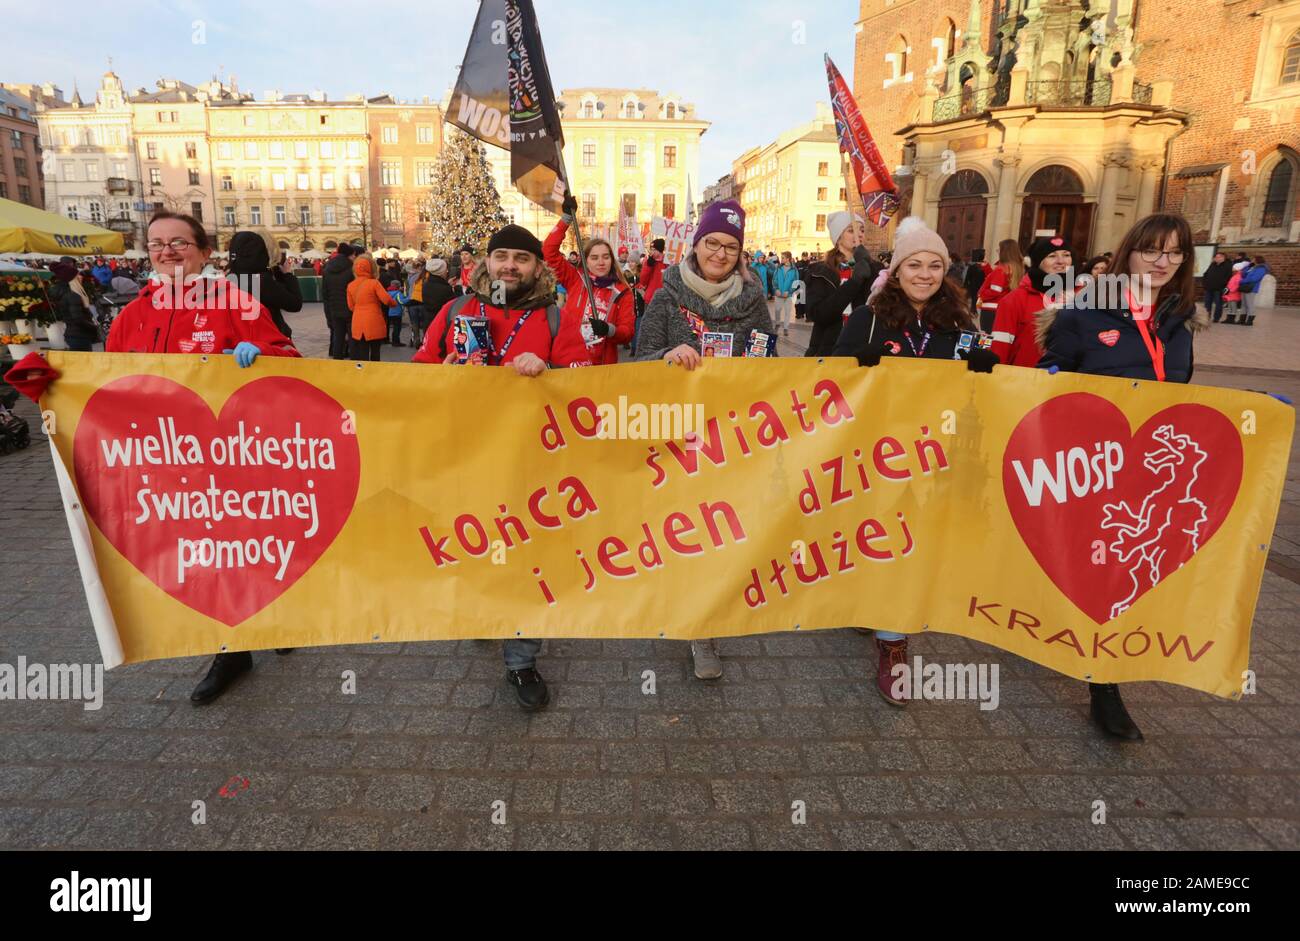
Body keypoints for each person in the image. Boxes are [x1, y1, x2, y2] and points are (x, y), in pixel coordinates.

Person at [104, 213, 299, 704]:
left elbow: (292, 361)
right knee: (200, 554)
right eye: (156, 244)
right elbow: (101, 382)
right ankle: (231, 647)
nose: (167, 252)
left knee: (243, 545)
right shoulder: (132, 315)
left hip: (231, 457)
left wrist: (265, 353)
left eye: (179, 243)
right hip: (165, 459)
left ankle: (268, 621)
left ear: (205, 252)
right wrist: (47, 380)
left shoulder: (235, 303)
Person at [1037, 213, 1206, 741]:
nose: (1162, 262)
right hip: (1092, 463)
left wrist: (1250, 417)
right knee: (1094, 564)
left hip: (1150, 466)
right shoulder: (1087, 311)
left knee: (1124, 567)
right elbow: (1050, 376)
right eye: (1152, 250)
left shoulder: (1180, 317)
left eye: (1175, 253)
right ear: (1129, 252)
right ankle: (1087, 668)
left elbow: (1183, 388)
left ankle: (1104, 678)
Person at [413, 224, 590, 710]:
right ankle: (481, 614)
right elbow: (419, 367)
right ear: (486, 263)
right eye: (502, 257)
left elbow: (584, 384)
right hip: (464, 457)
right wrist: (442, 371)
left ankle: (521, 661)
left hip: (530, 462)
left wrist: (549, 373)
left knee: (525, 560)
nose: (510, 266)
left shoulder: (555, 317)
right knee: (475, 547)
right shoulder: (457, 310)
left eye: (522, 258)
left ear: (537, 267)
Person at [832, 217, 996, 704]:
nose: (923, 274)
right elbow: (832, 378)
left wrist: (988, 368)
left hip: (936, 456)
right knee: (882, 538)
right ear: (897, 271)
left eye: (934, 266)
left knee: (913, 545)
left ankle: (892, 636)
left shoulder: (962, 323)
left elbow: (987, 384)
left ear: (944, 273)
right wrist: (855, 364)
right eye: (914, 265)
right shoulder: (870, 319)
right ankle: (885, 628)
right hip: (880, 454)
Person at [632, 199, 774, 681]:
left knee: (716, 532)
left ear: (740, 254)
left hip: (730, 436)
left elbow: (768, 364)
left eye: (730, 247)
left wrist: (753, 372)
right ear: (696, 246)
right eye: (712, 242)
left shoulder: (753, 302)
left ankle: (703, 629)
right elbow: (640, 358)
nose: (719, 253)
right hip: (676, 432)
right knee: (680, 528)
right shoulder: (666, 295)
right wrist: (669, 354)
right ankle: (675, 607)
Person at [545, 198, 636, 366]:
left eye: (605, 257)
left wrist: (609, 330)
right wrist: (566, 218)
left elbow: (628, 332)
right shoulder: (576, 278)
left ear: (611, 260)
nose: (601, 262)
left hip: (600, 367)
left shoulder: (622, 291)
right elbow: (548, 251)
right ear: (585, 261)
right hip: (567, 362)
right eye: (594, 258)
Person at [804, 211, 879, 357]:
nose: (859, 235)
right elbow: (819, 314)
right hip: (829, 351)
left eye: (862, 230)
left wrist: (870, 265)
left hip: (863, 350)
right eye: (851, 230)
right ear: (838, 238)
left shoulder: (875, 267)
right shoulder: (821, 271)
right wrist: (854, 282)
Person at [990, 236, 1073, 368]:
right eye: (1052, 256)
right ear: (1038, 262)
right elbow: (1000, 348)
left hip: (1068, 382)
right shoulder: (1015, 300)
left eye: (1066, 255)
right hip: (1027, 381)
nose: (1061, 261)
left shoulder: (1082, 297)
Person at [225, 231, 303, 340]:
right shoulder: (261, 280)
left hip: (240, 341)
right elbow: (295, 304)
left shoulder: (229, 278)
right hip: (268, 342)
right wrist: (287, 275)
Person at [347, 254, 396, 361]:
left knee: (362, 352)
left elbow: (351, 306)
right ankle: (374, 374)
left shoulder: (351, 285)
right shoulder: (374, 283)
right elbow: (386, 300)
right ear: (371, 268)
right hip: (374, 321)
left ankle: (363, 374)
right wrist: (394, 303)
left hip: (358, 322)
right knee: (375, 351)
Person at [47, 260, 99, 352]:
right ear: (71, 279)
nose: (80, 277)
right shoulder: (72, 295)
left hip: (73, 334)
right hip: (80, 335)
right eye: (77, 275)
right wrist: (93, 326)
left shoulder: (64, 293)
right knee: (84, 363)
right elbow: (78, 319)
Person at [977, 238, 1025, 333]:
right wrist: (987, 268)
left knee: (988, 339)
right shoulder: (1015, 268)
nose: (997, 251)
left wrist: (981, 294)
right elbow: (1000, 283)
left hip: (991, 310)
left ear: (1004, 252)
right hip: (1001, 308)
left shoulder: (1001, 269)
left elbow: (995, 290)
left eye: (999, 249)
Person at [322, 243, 357, 360]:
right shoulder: (352, 268)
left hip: (334, 308)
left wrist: (328, 312)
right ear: (349, 255)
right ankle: (353, 363)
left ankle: (337, 361)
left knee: (338, 337)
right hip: (350, 309)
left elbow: (325, 292)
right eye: (353, 255)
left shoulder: (327, 268)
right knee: (353, 338)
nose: (354, 258)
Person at [1199, 251, 1233, 324]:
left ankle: (1216, 318)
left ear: (1223, 258)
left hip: (1219, 289)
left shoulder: (1228, 266)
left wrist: (1222, 285)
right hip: (1209, 288)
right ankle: (1206, 317)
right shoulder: (1212, 265)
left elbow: (1229, 277)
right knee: (1207, 304)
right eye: (1215, 257)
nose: (1216, 258)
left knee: (1218, 304)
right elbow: (1206, 274)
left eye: (1218, 257)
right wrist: (1204, 283)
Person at [772, 251, 799, 337]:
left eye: (783, 257)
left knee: (787, 312)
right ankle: (777, 323)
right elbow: (774, 279)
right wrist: (776, 289)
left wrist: (789, 291)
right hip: (778, 294)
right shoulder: (778, 268)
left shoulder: (794, 270)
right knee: (777, 310)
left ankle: (786, 328)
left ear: (788, 259)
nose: (781, 259)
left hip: (788, 296)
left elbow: (796, 282)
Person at [1238, 255, 1269, 326]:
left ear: (1257, 260)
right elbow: (1243, 274)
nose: (1251, 260)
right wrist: (1248, 266)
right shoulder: (1252, 267)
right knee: (1243, 304)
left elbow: (1254, 278)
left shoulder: (1261, 269)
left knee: (1250, 304)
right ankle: (1242, 319)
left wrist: (1242, 281)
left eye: (1253, 259)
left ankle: (1250, 320)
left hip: (1251, 288)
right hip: (1245, 287)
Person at [637, 238, 667, 304]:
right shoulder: (648, 261)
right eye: (651, 249)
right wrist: (648, 266)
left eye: (654, 250)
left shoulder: (666, 262)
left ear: (660, 251)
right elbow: (643, 281)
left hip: (663, 300)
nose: (652, 252)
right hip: (650, 299)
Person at [962, 247, 989, 315]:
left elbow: (968, 277)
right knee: (977, 298)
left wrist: (965, 285)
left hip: (974, 284)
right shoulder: (983, 266)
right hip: (981, 285)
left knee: (974, 298)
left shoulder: (973, 266)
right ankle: (976, 309)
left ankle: (974, 310)